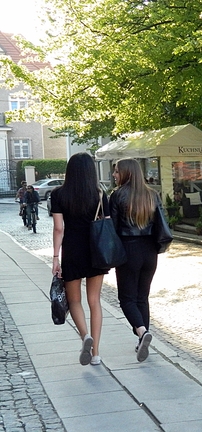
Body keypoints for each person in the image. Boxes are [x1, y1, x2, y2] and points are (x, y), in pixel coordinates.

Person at [51, 153, 108, 366]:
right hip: (96, 251)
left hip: (72, 251)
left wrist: (56, 257)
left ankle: (85, 336)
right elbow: (106, 223)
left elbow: (59, 228)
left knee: (74, 300)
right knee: (95, 301)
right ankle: (96, 354)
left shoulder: (59, 194)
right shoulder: (100, 194)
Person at [110, 158, 162, 362]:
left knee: (127, 299)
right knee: (142, 297)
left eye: (116, 171)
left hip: (128, 250)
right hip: (150, 251)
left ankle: (142, 332)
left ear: (126, 173)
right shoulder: (152, 194)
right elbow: (160, 223)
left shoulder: (117, 195)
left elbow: (112, 229)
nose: (114, 175)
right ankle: (143, 339)